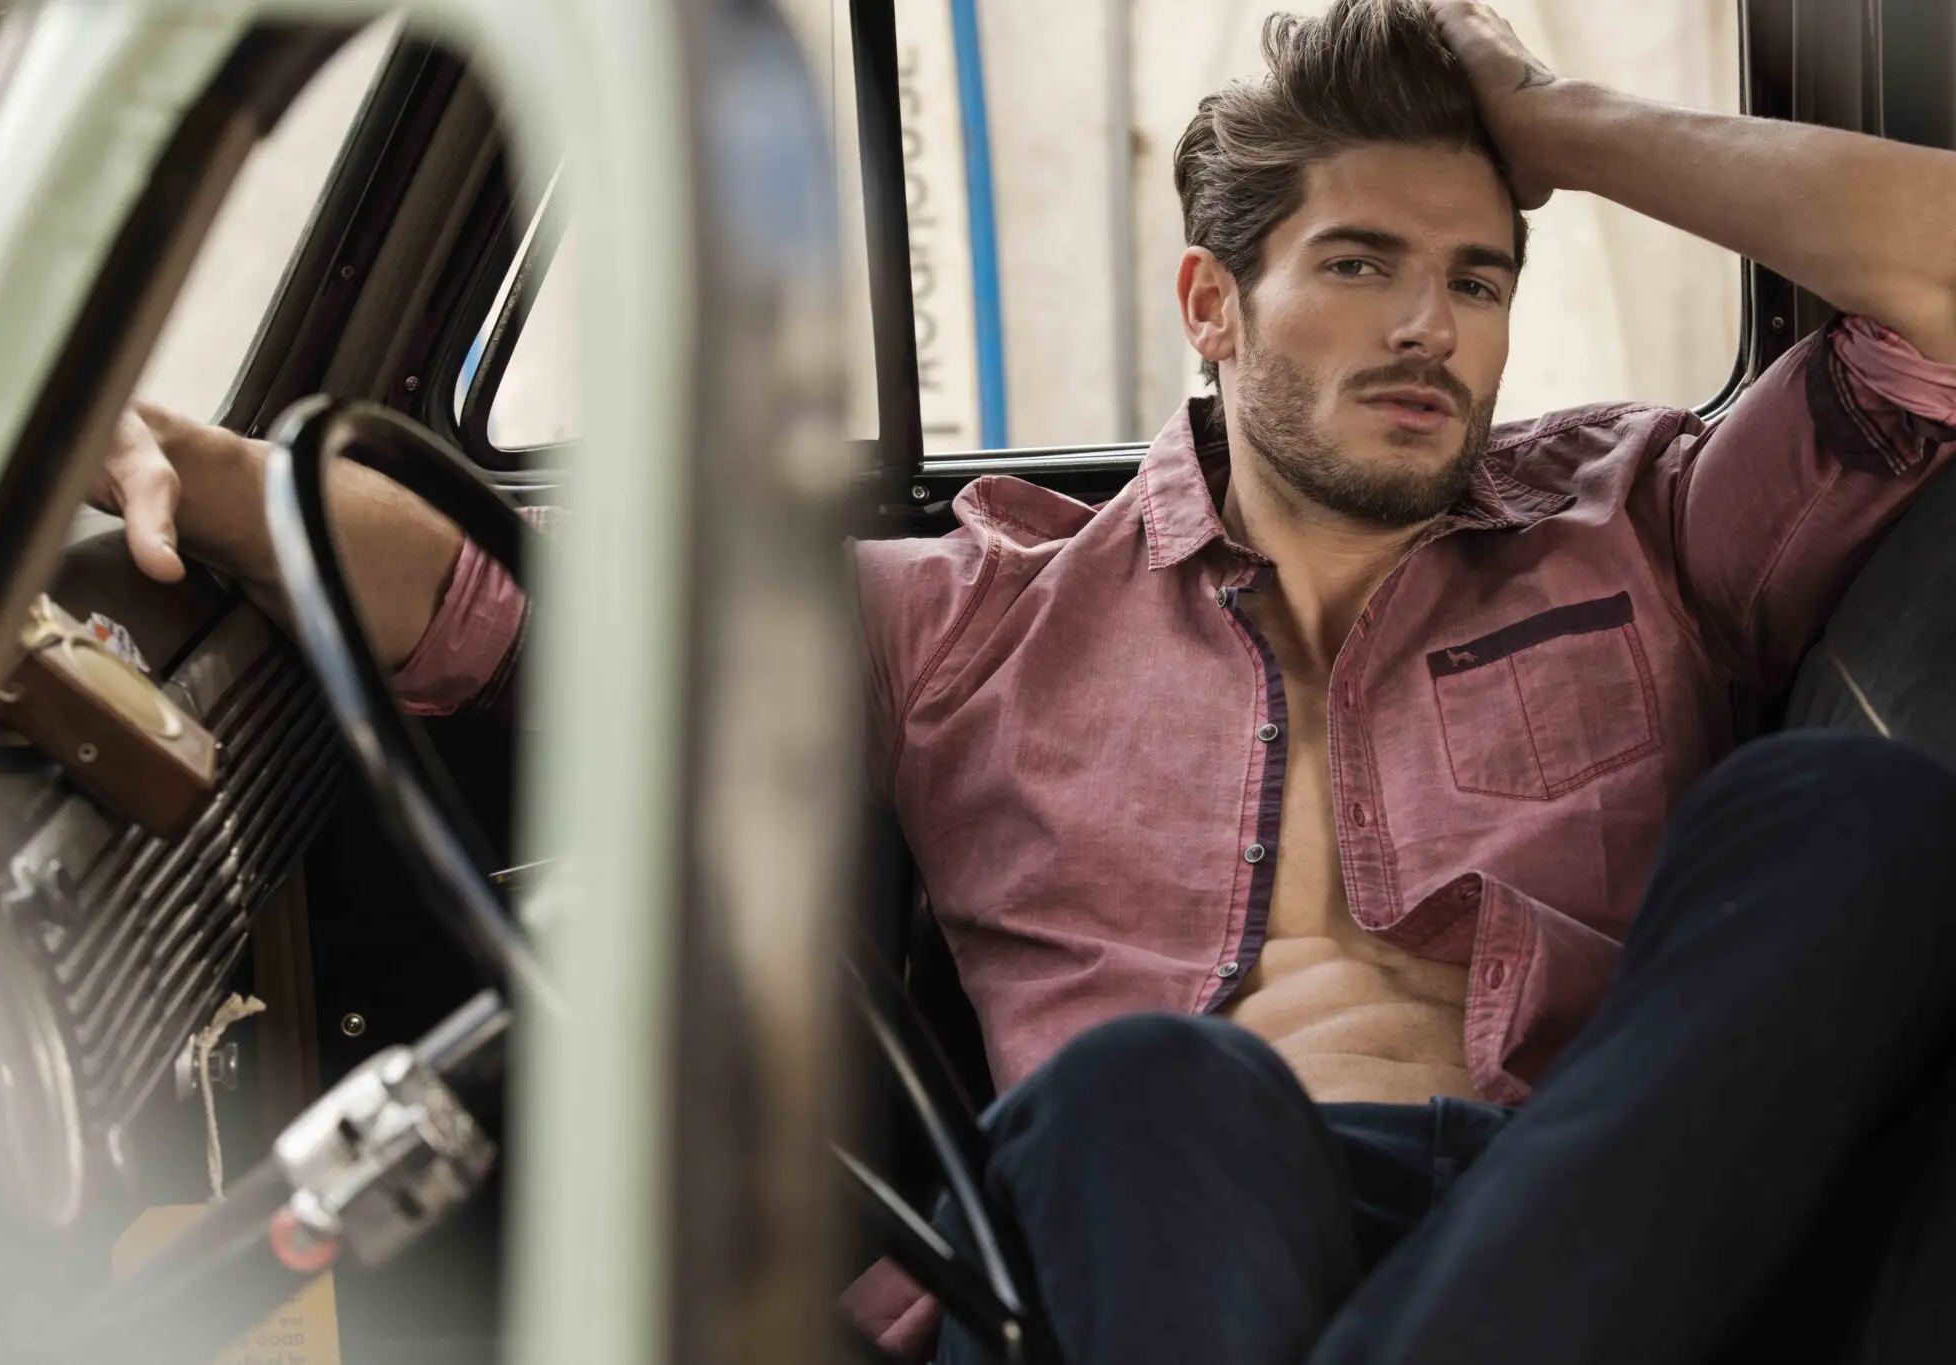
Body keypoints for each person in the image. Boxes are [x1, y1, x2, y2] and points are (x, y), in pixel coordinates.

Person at [95, 1, 1956, 1360]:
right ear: (1211, 308)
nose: (1426, 327)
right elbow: (514, 609)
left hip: (1615, 1243)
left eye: (1477, 278)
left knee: (1859, 819)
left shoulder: (1642, 516)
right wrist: (143, 447)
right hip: (1154, 1265)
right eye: (1361, 260)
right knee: (1158, 1088)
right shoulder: (977, 610)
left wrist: (1563, 122)